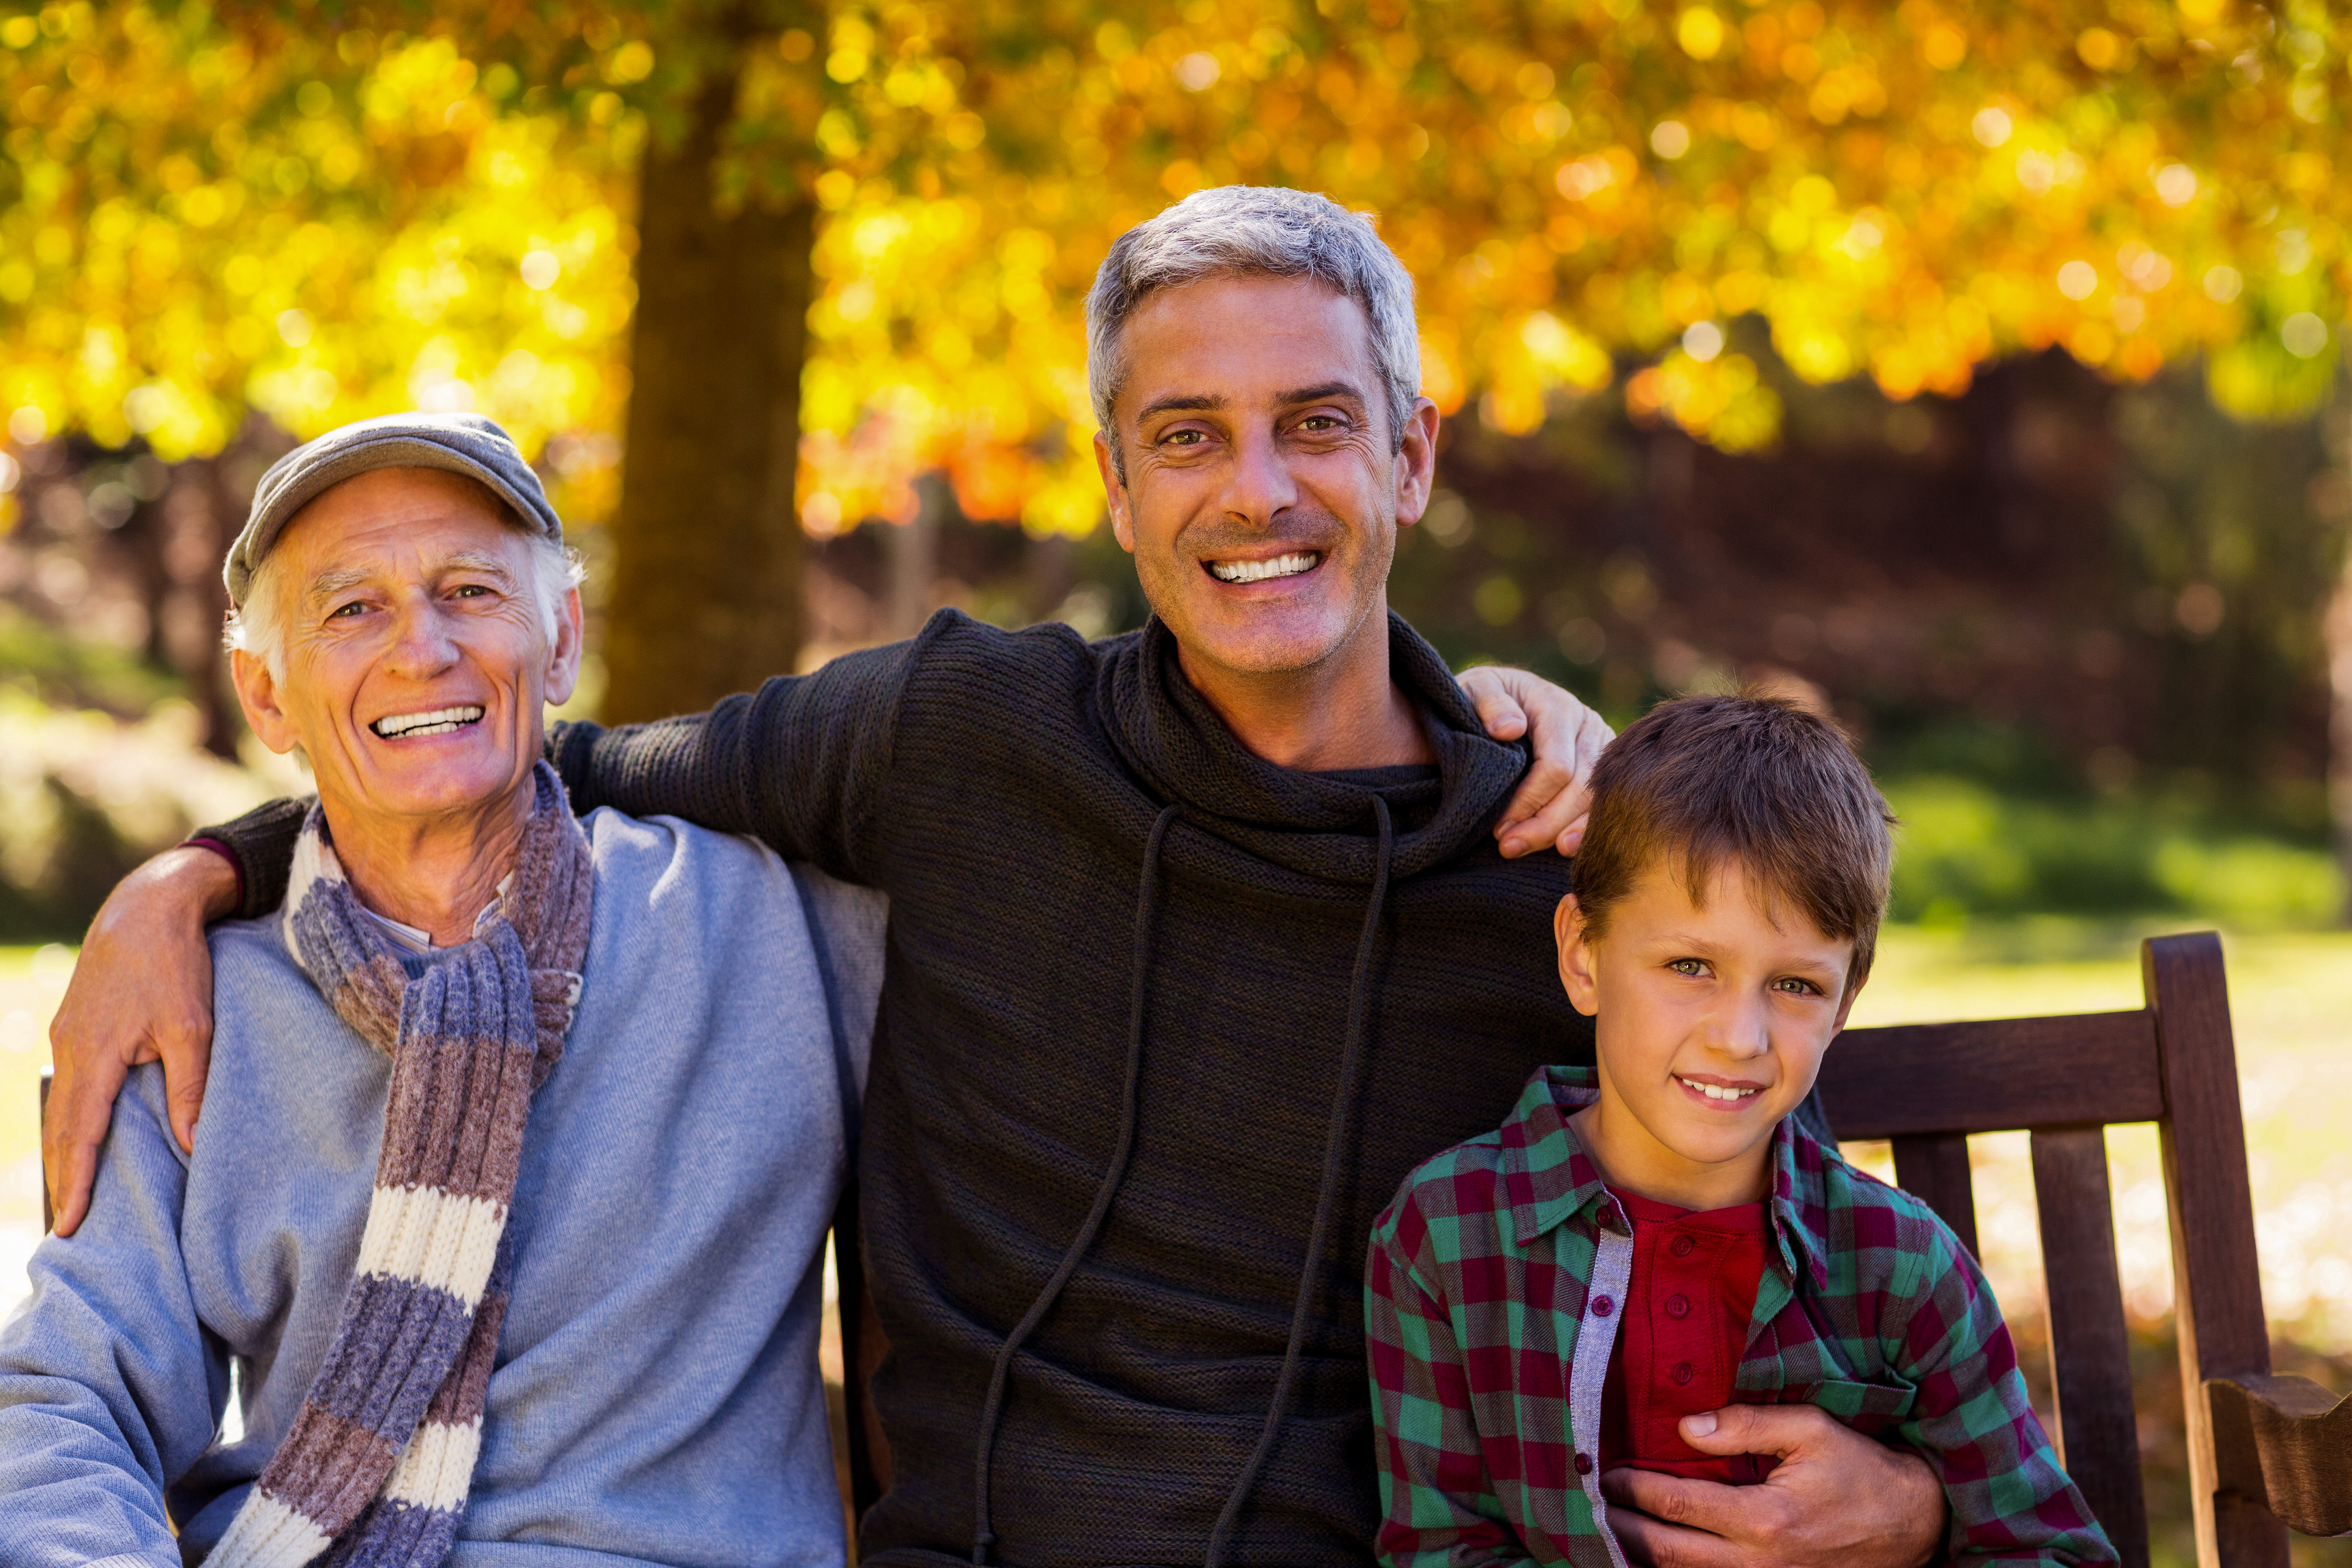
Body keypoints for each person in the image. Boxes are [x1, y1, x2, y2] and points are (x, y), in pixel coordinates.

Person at [48, 188, 1949, 1567]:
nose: (1256, 495)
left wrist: (1921, 1500)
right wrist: (194, 876)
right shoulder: (952, 745)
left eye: (1315, 425)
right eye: (1186, 436)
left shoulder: (1543, 875)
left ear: (1413, 454)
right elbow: (517, 772)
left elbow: (1764, 1199)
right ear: (1115, 482)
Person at [0, 414, 886, 1567]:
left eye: (471, 591)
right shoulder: (190, 1003)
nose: (422, 649)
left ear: (560, 638)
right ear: (265, 696)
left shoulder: (776, 922)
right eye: (351, 608)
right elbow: (66, 1396)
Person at [1366, 694, 2116, 1568]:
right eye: (1690, 966)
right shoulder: (1448, 1237)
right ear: (1584, 956)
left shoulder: (1904, 1265)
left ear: (1845, 1005)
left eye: (1795, 985)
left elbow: (2048, 1549)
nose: (1740, 1037)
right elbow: (1440, 1552)